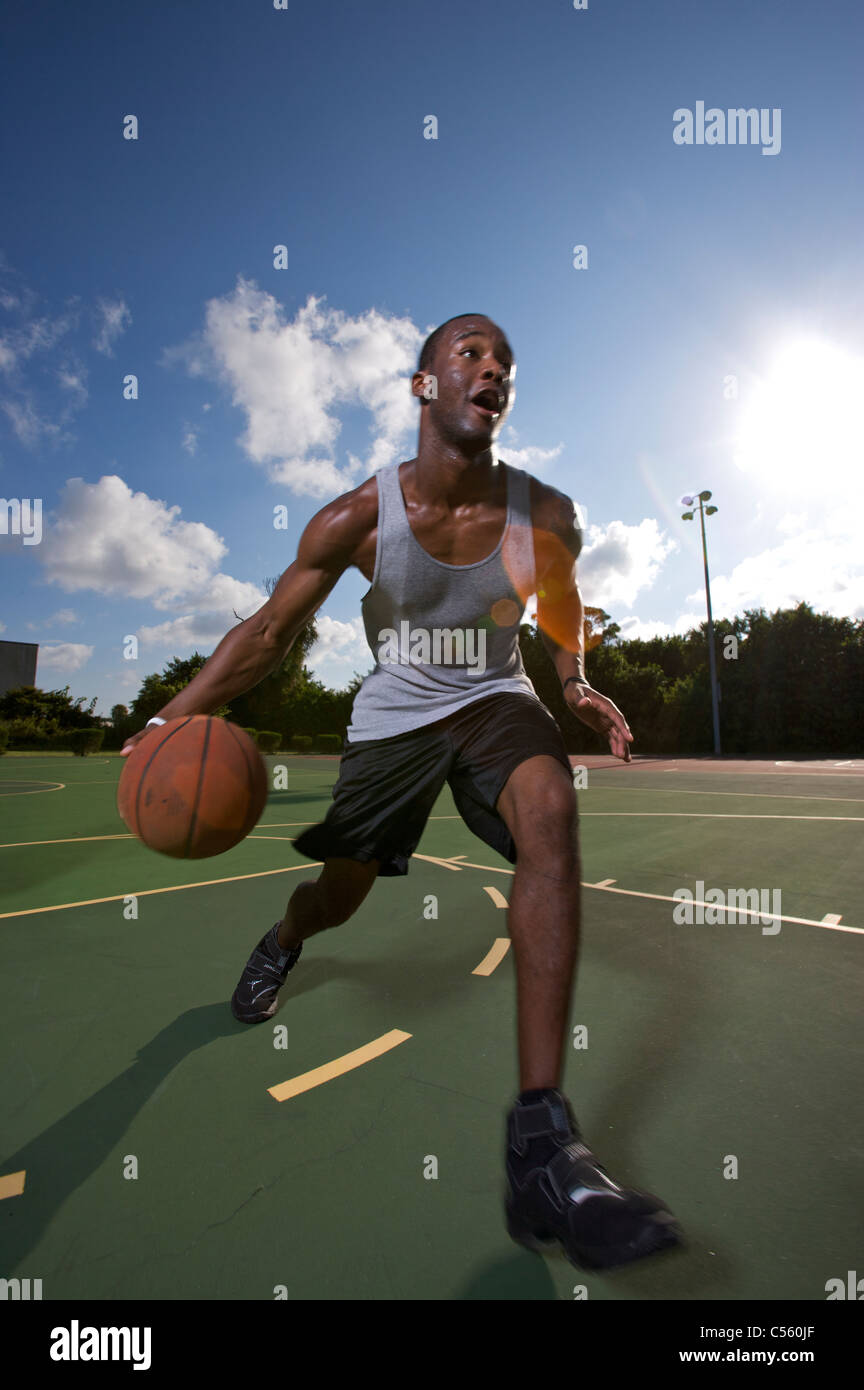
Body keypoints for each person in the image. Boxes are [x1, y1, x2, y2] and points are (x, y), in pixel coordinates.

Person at [122, 314, 681, 1271]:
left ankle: (543, 1145)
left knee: (552, 811)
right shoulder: (357, 518)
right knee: (339, 897)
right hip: (395, 718)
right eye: (469, 353)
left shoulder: (543, 511)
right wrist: (172, 717)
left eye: (504, 359)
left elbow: (557, 605)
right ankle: (288, 937)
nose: (492, 366)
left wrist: (576, 681)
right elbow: (264, 635)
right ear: (425, 386)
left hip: (496, 699)